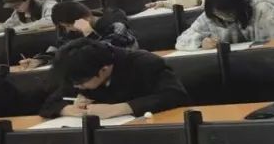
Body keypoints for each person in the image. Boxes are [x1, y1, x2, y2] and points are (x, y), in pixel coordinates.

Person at [39, 39, 189, 119]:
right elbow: (49, 104)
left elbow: (176, 95)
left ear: (103, 70)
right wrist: (69, 109)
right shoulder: (78, 71)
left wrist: (119, 108)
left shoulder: (144, 63)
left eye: (80, 83)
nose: (76, 87)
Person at [20, 1, 140, 69]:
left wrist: (89, 33)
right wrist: (40, 60)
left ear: (85, 18)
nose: (68, 30)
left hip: (124, 70)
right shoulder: (73, 31)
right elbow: (61, 48)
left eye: (68, 25)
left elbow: (107, 53)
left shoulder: (115, 24)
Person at [175, 0, 274, 50]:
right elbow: (182, 41)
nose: (223, 17)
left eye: (227, 13)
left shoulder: (261, 8)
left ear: (237, 6)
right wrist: (201, 43)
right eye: (219, 14)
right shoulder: (212, 14)